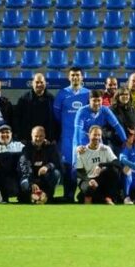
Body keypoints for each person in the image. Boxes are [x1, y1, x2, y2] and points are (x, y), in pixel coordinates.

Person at [53, 67, 90, 201]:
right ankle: (68, 195)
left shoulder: (88, 93)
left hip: (83, 138)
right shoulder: (62, 93)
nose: (75, 77)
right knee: (67, 166)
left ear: (82, 77)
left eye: (77, 75)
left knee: (82, 166)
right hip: (67, 138)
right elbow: (57, 115)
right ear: (69, 77)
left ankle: (85, 194)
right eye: (73, 75)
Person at [74, 125, 120, 204]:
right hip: (87, 179)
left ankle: (108, 197)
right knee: (88, 189)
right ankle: (89, 198)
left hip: (100, 179)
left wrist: (101, 165)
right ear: (89, 135)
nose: (97, 137)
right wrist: (89, 180)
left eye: (99, 135)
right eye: (94, 135)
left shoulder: (106, 149)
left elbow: (117, 163)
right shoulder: (82, 151)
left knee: (114, 171)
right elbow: (79, 171)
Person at [18, 125, 62, 204]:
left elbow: (57, 162)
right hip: (29, 177)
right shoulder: (26, 149)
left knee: (56, 173)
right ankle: (30, 197)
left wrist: (47, 166)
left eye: (41, 136)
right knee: (25, 182)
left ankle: (47, 196)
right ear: (32, 136)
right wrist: (31, 183)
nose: (38, 138)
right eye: (36, 136)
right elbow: (25, 166)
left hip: (44, 178)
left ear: (44, 136)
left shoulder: (51, 148)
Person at [14, 73, 57, 144]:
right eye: (37, 82)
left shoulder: (51, 99)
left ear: (45, 83)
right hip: (27, 140)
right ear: (32, 83)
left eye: (41, 82)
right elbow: (17, 119)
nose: (39, 84)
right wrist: (21, 137)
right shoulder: (23, 99)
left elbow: (55, 120)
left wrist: (53, 138)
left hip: (47, 140)